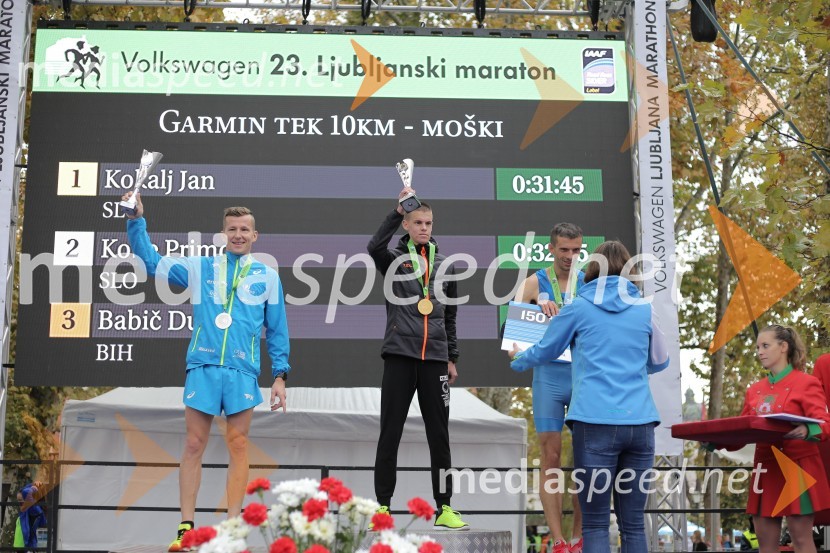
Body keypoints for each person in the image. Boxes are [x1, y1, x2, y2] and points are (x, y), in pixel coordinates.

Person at [122, 191, 291, 551]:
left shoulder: (268, 276)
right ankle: (186, 527)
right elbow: (152, 262)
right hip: (203, 365)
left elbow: (277, 330)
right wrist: (137, 220)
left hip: (242, 370)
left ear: (255, 236)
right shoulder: (200, 267)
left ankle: (231, 526)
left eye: (245, 229)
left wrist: (280, 375)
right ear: (223, 234)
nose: (238, 235)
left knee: (239, 445)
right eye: (232, 229)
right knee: (194, 443)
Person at [509, 240, 670, 553]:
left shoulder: (578, 308)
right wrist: (632, 367)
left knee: (595, 525)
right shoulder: (644, 308)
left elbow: (547, 349)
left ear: (591, 269)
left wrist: (519, 359)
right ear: (629, 270)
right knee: (634, 524)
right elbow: (660, 360)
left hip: (594, 424)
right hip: (640, 424)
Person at [367, 186, 468, 530]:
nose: (425, 227)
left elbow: (450, 316)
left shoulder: (445, 265)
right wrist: (395, 212)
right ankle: (382, 508)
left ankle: (445, 508)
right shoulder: (394, 259)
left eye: (428, 222)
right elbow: (373, 246)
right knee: (390, 432)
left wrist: (451, 356)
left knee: (439, 435)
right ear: (407, 225)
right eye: (417, 222)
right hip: (399, 355)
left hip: (435, 360)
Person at [513, 223, 585, 553]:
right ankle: (558, 541)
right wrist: (535, 314)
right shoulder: (532, 282)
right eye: (565, 250)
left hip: (584, 378)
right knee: (550, 458)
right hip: (548, 380)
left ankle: (580, 537)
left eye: (576, 250)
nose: (571, 256)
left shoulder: (590, 282)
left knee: (588, 459)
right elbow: (513, 342)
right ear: (551, 248)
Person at [731, 325, 830, 553]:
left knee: (802, 541)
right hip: (765, 469)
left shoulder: (807, 382)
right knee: (766, 545)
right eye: (757, 347)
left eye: (766, 346)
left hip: (798, 468)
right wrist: (716, 440)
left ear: (783, 347)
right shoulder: (754, 390)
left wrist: (807, 429)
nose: (760, 352)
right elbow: (744, 430)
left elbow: (824, 423)